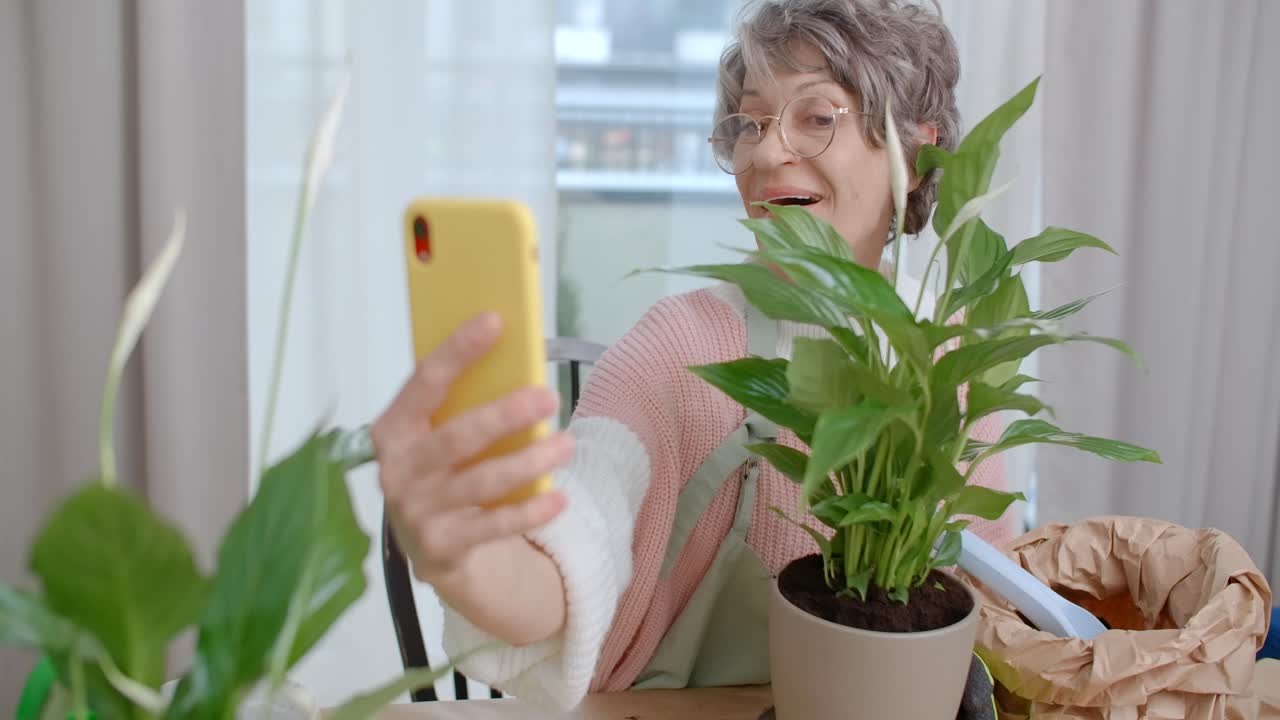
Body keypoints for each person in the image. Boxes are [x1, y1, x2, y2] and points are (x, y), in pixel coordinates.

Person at [372, 0, 1012, 709]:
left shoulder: (951, 360)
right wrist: (463, 556)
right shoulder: (680, 348)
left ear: (915, 156)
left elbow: (993, 620)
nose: (766, 154)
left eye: (817, 116)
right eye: (750, 123)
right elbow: (579, 539)